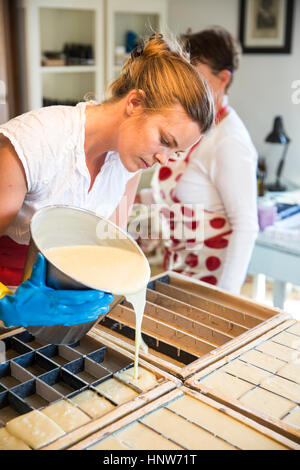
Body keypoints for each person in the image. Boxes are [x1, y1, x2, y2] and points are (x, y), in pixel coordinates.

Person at [0, 33, 214, 328]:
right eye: (164, 140)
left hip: (55, 317)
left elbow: (105, 248)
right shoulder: (36, 142)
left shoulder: (128, 165)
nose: (164, 160)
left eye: (175, 152)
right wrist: (6, 307)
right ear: (135, 102)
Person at [137, 27, 259, 294]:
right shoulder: (193, 128)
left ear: (223, 79)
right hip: (179, 268)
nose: (189, 86)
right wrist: (134, 200)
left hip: (211, 278)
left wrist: (226, 296)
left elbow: (246, 226)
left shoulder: (230, 141)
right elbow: (187, 196)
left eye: (198, 76)